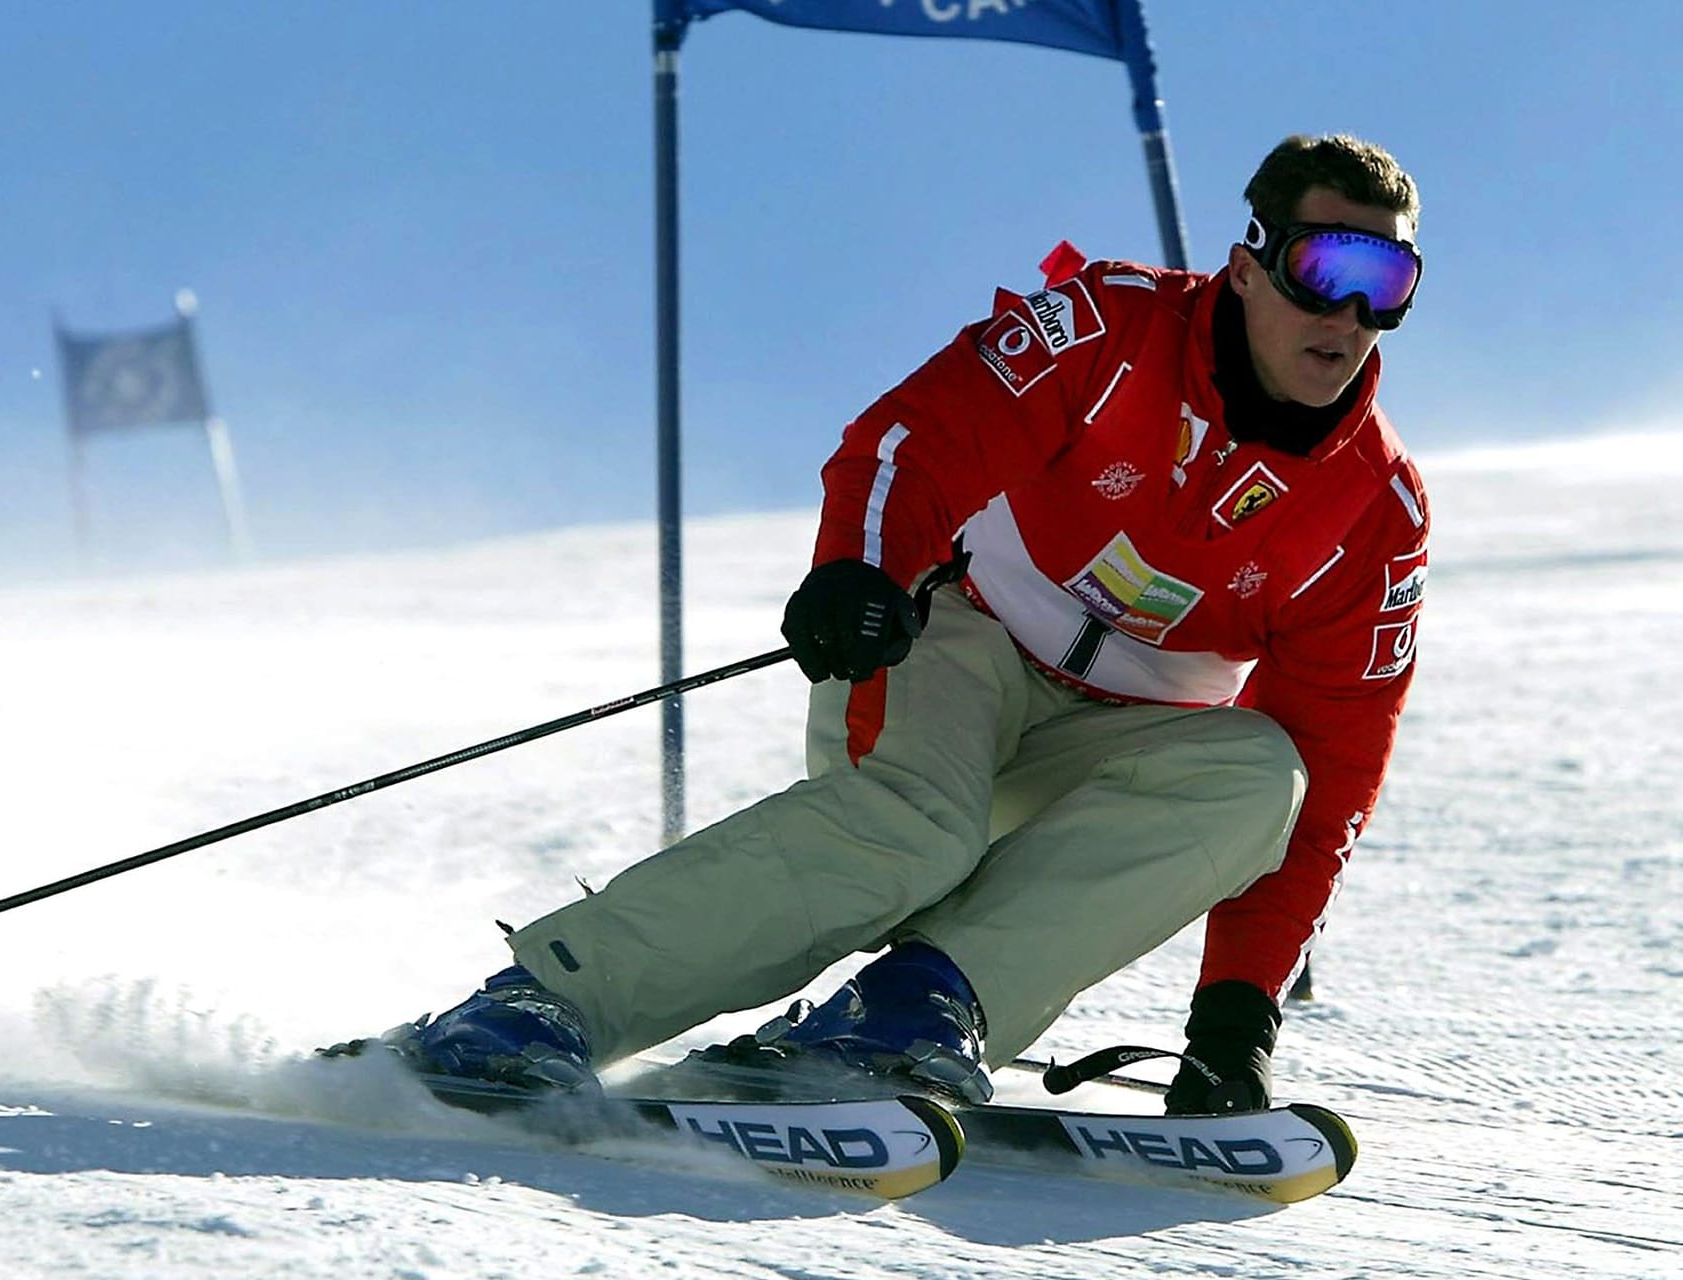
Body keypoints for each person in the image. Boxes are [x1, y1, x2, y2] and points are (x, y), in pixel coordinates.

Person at [381, 134, 1429, 1115]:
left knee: (1263, 780)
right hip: (957, 634)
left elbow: (1334, 769)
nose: (1346, 313)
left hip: (1115, 741)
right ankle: (543, 1004)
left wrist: (1238, 1010)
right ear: (1248, 265)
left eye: (1385, 284)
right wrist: (857, 569)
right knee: (915, 827)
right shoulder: (1114, 327)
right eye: (1323, 266)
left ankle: (908, 1014)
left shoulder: (1373, 513)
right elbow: (916, 441)